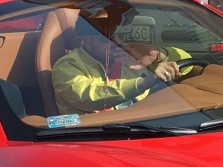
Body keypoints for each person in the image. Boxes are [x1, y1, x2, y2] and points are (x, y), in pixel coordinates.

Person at [51, 16, 181, 114]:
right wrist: (144, 82)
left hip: (143, 129)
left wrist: (159, 54)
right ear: (85, 40)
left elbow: (189, 63)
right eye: (106, 38)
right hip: (92, 138)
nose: (116, 42)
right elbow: (88, 95)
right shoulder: (67, 65)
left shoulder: (130, 58)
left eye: (119, 36)